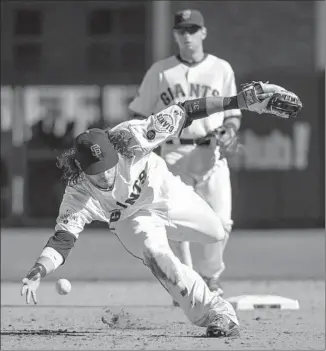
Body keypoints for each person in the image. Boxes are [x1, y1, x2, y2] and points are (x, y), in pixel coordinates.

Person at [20, 86, 281, 338]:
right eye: (96, 171)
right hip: (131, 220)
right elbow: (63, 239)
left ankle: (180, 250)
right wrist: (37, 271)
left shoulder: (131, 137)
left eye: (109, 165)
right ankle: (216, 312)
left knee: (215, 232)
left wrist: (237, 101)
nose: (106, 174)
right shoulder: (77, 192)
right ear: (80, 167)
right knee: (158, 257)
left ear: (114, 149)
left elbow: (186, 110)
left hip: (166, 191)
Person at [129, 9, 242, 297]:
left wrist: (229, 131)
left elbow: (233, 113)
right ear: (175, 35)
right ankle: (187, 282)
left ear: (203, 33)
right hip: (173, 154)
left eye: (193, 29)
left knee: (222, 223)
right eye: (182, 30)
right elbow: (140, 115)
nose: (187, 35)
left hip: (211, 153)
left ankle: (210, 276)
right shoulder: (161, 71)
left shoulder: (221, 68)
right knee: (176, 222)